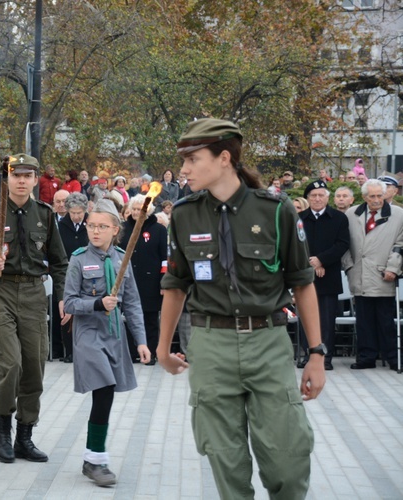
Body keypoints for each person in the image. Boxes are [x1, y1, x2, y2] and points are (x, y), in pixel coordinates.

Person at [158, 118, 324, 499]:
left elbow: (302, 283)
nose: (183, 170)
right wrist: (165, 348)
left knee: (287, 456)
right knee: (225, 459)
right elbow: (175, 286)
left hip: (268, 342)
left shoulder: (276, 210)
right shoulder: (184, 214)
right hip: (210, 345)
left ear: (224, 158)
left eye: (193, 159)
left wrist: (316, 354)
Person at [0, 153, 69, 464]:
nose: (22, 181)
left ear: (36, 179)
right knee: (10, 363)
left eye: (28, 176)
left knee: (35, 368)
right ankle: (2, 431)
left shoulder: (45, 214)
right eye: (16, 176)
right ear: (7, 179)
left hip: (33, 294)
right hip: (1, 291)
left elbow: (59, 262)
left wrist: (64, 297)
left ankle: (25, 434)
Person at [63, 199, 151, 487]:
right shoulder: (78, 259)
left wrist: (141, 341)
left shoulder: (121, 259)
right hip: (89, 335)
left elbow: (133, 303)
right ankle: (95, 459)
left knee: (107, 393)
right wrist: (98, 304)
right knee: (104, 388)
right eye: (91, 226)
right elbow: (71, 303)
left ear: (116, 229)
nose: (95, 231)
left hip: (114, 336)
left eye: (102, 226)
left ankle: (93, 458)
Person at [342, 178, 403, 371]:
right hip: (359, 274)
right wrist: (349, 266)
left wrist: (393, 268)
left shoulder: (398, 214)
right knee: (364, 320)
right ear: (364, 197)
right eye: (372, 196)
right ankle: (366, 357)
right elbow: (343, 242)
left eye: (379, 195)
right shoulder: (352, 214)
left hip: (383, 275)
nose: (376, 199)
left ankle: (393, 358)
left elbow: (400, 244)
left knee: (386, 321)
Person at [296, 180, 350, 371]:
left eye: (321, 195)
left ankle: (325, 358)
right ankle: (307, 355)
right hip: (306, 276)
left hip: (329, 276)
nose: (317, 199)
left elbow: (342, 244)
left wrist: (322, 260)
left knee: (327, 320)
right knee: (305, 318)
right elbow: (295, 245)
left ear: (327, 198)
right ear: (308, 198)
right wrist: (313, 263)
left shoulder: (338, 218)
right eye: (313, 195)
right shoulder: (299, 218)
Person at [121, 193, 167, 364]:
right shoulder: (123, 229)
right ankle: (132, 352)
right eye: (133, 209)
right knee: (129, 318)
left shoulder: (159, 230)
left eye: (140, 209)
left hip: (152, 283)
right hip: (128, 281)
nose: (136, 212)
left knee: (150, 319)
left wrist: (163, 281)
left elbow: (165, 258)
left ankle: (151, 353)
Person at [58, 192, 89, 362]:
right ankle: (69, 351)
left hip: (88, 272)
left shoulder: (91, 223)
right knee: (67, 310)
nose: (76, 216)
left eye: (79, 213)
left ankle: (85, 350)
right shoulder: (61, 225)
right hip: (67, 271)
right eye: (73, 213)